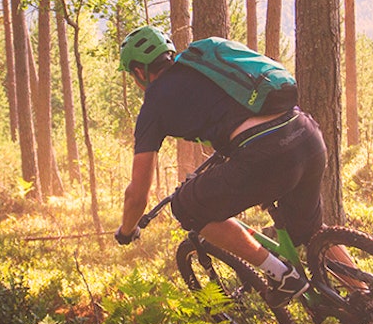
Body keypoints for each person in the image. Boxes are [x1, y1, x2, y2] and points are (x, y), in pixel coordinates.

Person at [113, 25, 326, 305]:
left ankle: (281, 275)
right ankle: (367, 296)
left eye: (133, 74)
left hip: (266, 154)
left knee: (186, 207)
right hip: (305, 132)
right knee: (313, 236)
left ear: (139, 72)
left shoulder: (153, 105)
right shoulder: (203, 61)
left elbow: (138, 193)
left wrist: (127, 231)